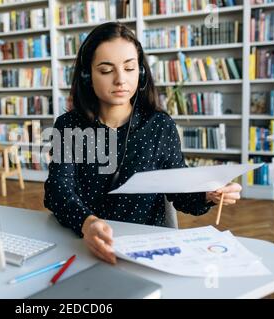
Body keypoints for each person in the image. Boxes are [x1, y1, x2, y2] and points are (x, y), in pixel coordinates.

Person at [44, 22, 242, 264]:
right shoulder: (68, 125)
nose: (120, 80)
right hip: (84, 240)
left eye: (129, 68)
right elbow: (57, 190)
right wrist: (88, 223)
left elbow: (180, 193)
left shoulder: (159, 125)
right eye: (106, 71)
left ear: (142, 72)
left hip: (146, 248)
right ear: (87, 76)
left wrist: (209, 193)